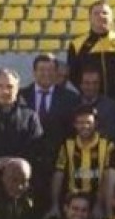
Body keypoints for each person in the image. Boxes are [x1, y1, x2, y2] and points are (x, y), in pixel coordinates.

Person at [20, 53, 81, 208]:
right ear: (34, 72)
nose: (46, 74)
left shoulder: (71, 98)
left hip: (59, 164)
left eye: (50, 70)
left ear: (56, 73)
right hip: (29, 161)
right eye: (41, 70)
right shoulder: (21, 96)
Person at [50, 105, 115, 218]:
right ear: (74, 124)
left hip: (97, 199)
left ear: (95, 124)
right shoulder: (67, 144)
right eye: (80, 122)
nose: (84, 126)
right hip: (73, 198)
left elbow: (107, 177)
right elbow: (58, 174)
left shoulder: (107, 145)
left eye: (88, 122)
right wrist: (55, 205)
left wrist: (99, 205)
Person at [67, 1, 115, 100]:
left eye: (105, 13)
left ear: (111, 18)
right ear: (90, 18)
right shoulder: (77, 44)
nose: (101, 16)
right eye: (96, 13)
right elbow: (73, 74)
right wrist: (87, 91)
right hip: (90, 100)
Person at [77, 68, 115, 142]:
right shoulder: (72, 104)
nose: (91, 87)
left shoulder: (111, 106)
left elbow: (113, 134)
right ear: (81, 85)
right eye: (87, 83)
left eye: (95, 83)